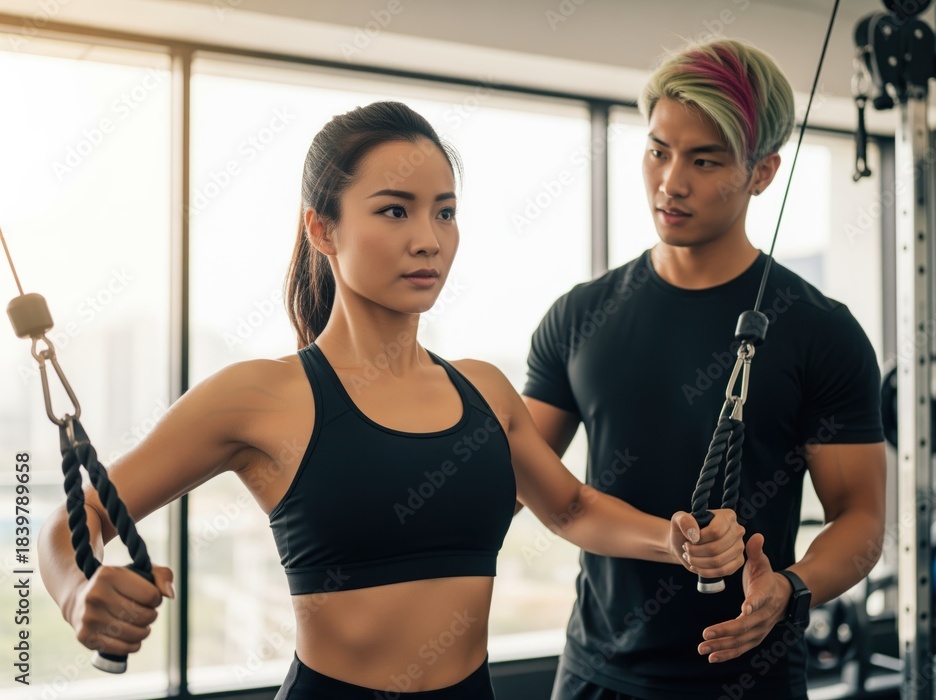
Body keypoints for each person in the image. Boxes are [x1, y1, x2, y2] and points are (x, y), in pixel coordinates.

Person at [37, 101, 747, 699]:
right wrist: (77, 592)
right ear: (323, 229)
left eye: (444, 213)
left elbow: (569, 507)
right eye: (395, 211)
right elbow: (72, 522)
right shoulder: (260, 396)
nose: (427, 240)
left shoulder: (484, 390)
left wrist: (673, 540)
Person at [521, 39, 887, 699]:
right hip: (596, 674)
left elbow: (860, 517)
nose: (671, 182)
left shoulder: (820, 330)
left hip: (754, 679)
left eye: (704, 159)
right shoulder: (580, 316)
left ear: (763, 171)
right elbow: (529, 479)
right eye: (658, 150)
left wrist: (790, 587)